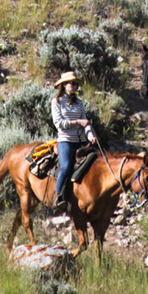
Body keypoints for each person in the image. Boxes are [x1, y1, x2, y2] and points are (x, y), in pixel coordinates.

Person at [50, 70, 96, 212]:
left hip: (82, 140)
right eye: (72, 83)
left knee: (96, 162)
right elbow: (59, 124)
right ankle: (58, 197)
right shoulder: (57, 102)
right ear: (64, 85)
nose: (74, 86)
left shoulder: (79, 103)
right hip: (66, 140)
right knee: (66, 167)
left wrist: (90, 135)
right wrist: (77, 122)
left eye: (76, 84)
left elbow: (86, 122)